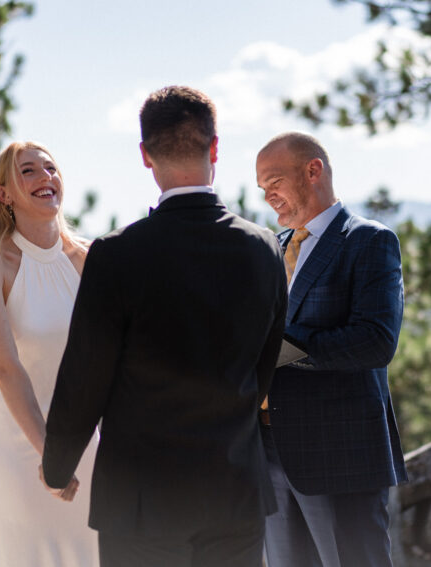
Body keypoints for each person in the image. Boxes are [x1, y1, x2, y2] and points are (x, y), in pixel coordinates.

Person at [39, 86, 288, 567]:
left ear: (145, 156)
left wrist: (57, 466)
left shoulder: (116, 253)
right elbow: (264, 367)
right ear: (215, 149)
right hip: (234, 489)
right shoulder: (264, 248)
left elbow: (86, 375)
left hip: (141, 498)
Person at [255, 132, 407, 567]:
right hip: (268, 453)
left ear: (313, 170)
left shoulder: (369, 241)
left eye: (274, 182)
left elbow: (375, 341)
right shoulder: (271, 250)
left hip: (340, 454)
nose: (269, 197)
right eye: (262, 189)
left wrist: (281, 350)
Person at [0, 141, 98, 567]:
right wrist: (49, 454)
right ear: (3, 194)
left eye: (51, 167)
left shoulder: (92, 259)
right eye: (28, 171)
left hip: (86, 438)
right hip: (16, 441)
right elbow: (5, 367)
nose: (45, 177)